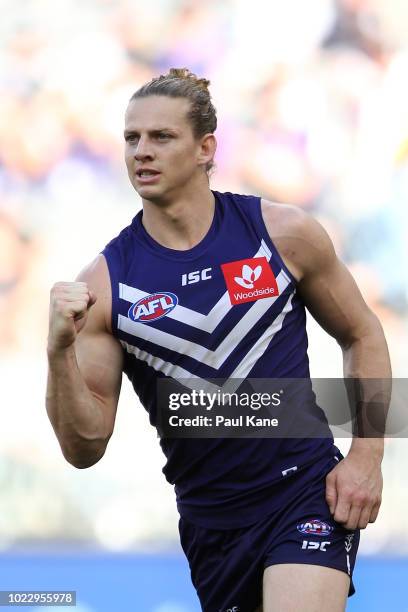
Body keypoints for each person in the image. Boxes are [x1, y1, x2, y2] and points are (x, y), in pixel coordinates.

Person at [46, 68, 391, 612]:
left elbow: (363, 332)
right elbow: (84, 447)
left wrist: (367, 458)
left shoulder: (281, 233)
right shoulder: (105, 286)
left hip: (303, 488)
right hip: (213, 523)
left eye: (162, 137)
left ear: (206, 148)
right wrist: (58, 352)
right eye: (132, 138)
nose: (142, 152)